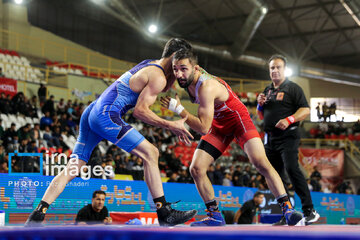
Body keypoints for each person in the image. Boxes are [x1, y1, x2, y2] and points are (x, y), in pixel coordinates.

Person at [25, 38, 197, 227]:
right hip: (106, 115)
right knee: (151, 152)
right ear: (174, 56)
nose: (180, 71)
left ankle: (38, 214)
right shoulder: (158, 76)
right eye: (179, 64)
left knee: (72, 168)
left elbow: (169, 82)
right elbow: (140, 111)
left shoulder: (151, 65)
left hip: (92, 111)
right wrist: (171, 125)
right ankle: (164, 212)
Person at [161, 49, 304, 226]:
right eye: (176, 69)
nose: (179, 74)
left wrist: (180, 111)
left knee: (260, 162)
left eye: (183, 69)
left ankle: (288, 210)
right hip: (219, 125)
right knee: (196, 169)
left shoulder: (207, 86)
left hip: (238, 120)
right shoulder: (183, 78)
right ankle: (215, 216)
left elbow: (204, 128)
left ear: (196, 68)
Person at [256, 54, 320, 225]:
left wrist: (289, 119)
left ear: (284, 69)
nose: (275, 70)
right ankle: (288, 213)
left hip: (288, 136)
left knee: (292, 169)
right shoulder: (267, 91)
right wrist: (259, 105)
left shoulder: (293, 88)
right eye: (272, 68)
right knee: (275, 176)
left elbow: (305, 110)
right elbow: (261, 116)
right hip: (270, 139)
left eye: (278, 67)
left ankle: (309, 211)